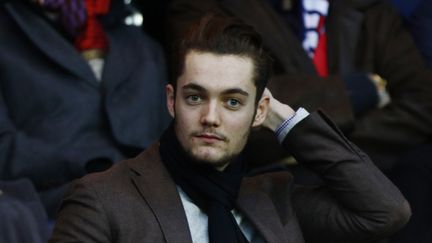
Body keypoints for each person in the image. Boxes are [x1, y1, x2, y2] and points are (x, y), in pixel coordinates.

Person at [50, 14, 410, 243]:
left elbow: (384, 211)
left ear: (259, 111)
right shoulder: (102, 199)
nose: (211, 116)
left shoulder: (275, 198)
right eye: (195, 98)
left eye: (233, 102)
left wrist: (284, 121)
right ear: (171, 101)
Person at [167, 0, 432, 171]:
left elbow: (421, 102)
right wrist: (355, 92)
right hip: (262, 183)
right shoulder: (203, 7)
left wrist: (326, 149)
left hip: (372, 175)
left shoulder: (370, 10)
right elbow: (231, 98)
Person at [0, 0, 169, 217]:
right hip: (48, 209)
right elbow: (4, 150)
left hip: (149, 206)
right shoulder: (7, 36)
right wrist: (92, 162)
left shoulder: (144, 47)